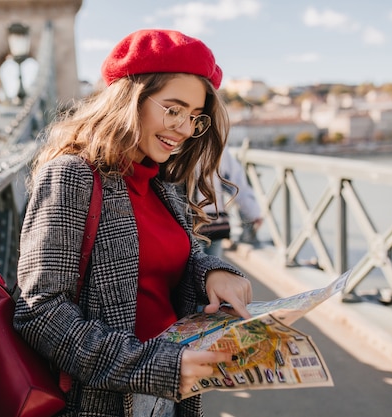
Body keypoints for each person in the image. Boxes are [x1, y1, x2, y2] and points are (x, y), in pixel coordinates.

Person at [13, 28, 253, 417]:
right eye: (173, 109)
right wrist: (155, 368)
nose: (184, 129)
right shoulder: (72, 176)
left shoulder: (162, 181)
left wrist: (213, 273)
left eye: (195, 117)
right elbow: (40, 311)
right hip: (104, 401)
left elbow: (179, 261)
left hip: (170, 392)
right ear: (130, 99)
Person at [201, 147, 263, 257]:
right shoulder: (216, 144)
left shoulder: (179, 140)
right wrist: (253, 212)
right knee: (214, 267)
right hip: (215, 220)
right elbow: (235, 182)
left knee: (191, 269)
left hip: (190, 221)